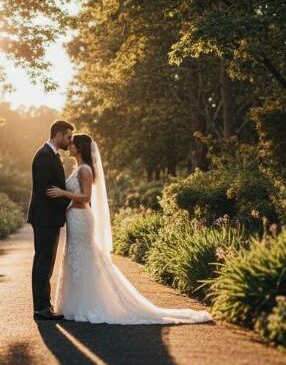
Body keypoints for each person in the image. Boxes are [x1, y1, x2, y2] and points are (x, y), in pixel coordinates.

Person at [46, 133, 211, 324]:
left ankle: (91, 304)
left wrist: (61, 193)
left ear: (80, 148)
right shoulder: (78, 169)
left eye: (72, 143)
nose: (69, 146)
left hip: (81, 217)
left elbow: (86, 198)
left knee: (84, 257)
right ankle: (76, 304)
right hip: (74, 218)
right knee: (75, 257)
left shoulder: (85, 170)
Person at [26, 120, 74, 320]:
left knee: (46, 262)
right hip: (45, 218)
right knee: (43, 263)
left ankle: (44, 305)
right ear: (59, 134)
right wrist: (69, 205)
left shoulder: (52, 155)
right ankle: (41, 308)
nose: (70, 141)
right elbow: (47, 191)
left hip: (49, 218)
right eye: (68, 137)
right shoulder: (44, 156)